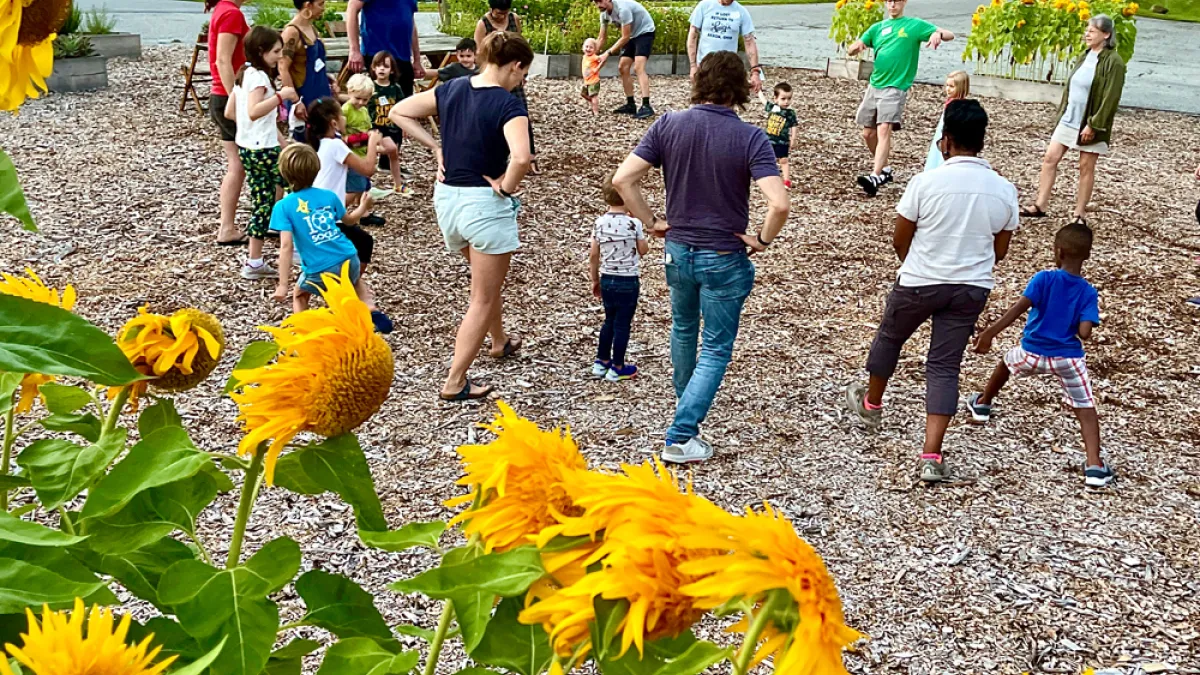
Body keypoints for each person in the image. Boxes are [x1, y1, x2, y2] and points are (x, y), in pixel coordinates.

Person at [612, 51, 789, 464]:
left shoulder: (668, 124)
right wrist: (762, 239)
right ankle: (681, 434)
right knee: (715, 347)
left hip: (677, 251)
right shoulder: (750, 137)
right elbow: (779, 204)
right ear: (740, 88)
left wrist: (652, 221)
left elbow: (623, 179)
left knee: (683, 328)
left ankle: (686, 405)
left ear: (700, 81)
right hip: (723, 255)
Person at [843, 99, 1018, 484]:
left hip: (920, 279)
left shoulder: (925, 183)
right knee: (944, 365)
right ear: (982, 141)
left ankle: (872, 403)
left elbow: (900, 237)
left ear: (945, 141)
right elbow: (1000, 250)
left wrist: (915, 264)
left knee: (890, 337)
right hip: (970, 287)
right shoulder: (1004, 190)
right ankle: (931, 454)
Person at [389, 32, 534, 402]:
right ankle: (455, 380)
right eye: (523, 73)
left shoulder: (451, 89)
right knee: (481, 298)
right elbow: (521, 157)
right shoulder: (509, 105)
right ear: (515, 66)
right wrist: (506, 187)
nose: (522, 80)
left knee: (486, 283)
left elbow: (398, 111)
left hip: (448, 202)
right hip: (483, 207)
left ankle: (499, 341)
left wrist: (436, 147)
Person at [967, 222, 1111, 487]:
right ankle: (1094, 465)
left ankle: (983, 404)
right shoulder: (1088, 292)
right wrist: (1084, 320)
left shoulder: (1044, 279)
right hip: (1067, 359)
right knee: (1085, 407)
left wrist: (989, 333)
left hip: (1031, 352)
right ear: (1087, 255)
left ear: (1058, 252)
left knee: (1005, 363)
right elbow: (1085, 333)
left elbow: (1017, 309)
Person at [272, 144, 393, 333]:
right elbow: (349, 221)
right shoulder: (328, 196)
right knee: (354, 281)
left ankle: (306, 334)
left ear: (284, 173)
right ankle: (371, 309)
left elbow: (286, 246)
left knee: (300, 295)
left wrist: (282, 285)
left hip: (319, 267)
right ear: (317, 169)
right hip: (348, 255)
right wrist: (363, 206)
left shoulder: (283, 206)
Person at [1020, 15, 1127, 226]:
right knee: (1050, 159)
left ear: (1106, 35)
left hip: (1090, 123)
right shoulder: (1084, 56)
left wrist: (1094, 124)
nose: (1087, 34)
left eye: (1092, 31)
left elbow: (1111, 97)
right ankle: (1040, 205)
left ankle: (1079, 214)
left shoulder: (1114, 62)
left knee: (1085, 167)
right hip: (1069, 118)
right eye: (1087, 30)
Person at [847, 0, 954, 197]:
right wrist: (856, 47)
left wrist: (937, 34)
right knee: (868, 134)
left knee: (884, 128)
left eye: (897, 1)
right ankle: (884, 169)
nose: (893, 4)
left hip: (896, 87)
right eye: (889, 1)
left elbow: (950, 35)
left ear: (904, 2)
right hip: (875, 85)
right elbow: (853, 47)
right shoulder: (877, 28)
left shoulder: (914, 25)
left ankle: (875, 176)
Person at [223, 26, 297, 281]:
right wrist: (281, 96)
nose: (280, 56)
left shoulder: (244, 73)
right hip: (264, 150)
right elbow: (254, 111)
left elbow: (231, 112)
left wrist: (278, 139)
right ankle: (299, 249)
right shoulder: (260, 79)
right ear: (261, 51)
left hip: (249, 148)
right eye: (276, 52)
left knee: (262, 203)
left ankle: (254, 262)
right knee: (298, 190)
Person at [590, 172, 648, 382]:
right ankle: (618, 367)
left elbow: (593, 254)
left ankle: (601, 361)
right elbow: (643, 250)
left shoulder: (599, 223)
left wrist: (595, 279)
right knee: (623, 324)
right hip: (627, 279)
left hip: (607, 277)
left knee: (609, 320)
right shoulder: (634, 224)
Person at [205, 0, 250, 246]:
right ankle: (272, 222)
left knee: (237, 165)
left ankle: (227, 227)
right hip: (227, 97)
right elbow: (223, 60)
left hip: (220, 97)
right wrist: (238, 99)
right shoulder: (231, 13)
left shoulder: (224, 10)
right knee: (256, 160)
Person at [475, 0, 537, 171]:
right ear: (491, 9)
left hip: (513, 73)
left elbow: (520, 45)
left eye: (505, 13)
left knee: (521, 111)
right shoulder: (483, 24)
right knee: (493, 115)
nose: (502, 16)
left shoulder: (513, 19)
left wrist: (523, 73)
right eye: (498, 13)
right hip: (495, 75)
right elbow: (481, 54)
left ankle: (530, 156)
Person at [306, 97, 384, 225]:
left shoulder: (320, 143)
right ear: (334, 123)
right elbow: (368, 169)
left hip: (316, 209)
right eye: (341, 115)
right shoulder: (335, 145)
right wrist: (372, 142)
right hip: (327, 215)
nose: (344, 118)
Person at [345, 72, 408, 197]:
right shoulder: (345, 110)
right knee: (354, 189)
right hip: (353, 154)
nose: (361, 102)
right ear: (349, 92)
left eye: (365, 99)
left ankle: (363, 207)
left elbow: (367, 128)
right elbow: (342, 136)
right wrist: (369, 141)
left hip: (363, 151)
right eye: (357, 98)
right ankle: (342, 207)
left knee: (362, 185)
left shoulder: (363, 110)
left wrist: (373, 142)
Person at [280, 0, 334, 143]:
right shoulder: (292, 32)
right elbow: (282, 67)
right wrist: (295, 101)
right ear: (307, 5)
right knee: (306, 141)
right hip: (304, 95)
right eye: (320, 4)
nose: (323, 8)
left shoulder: (312, 28)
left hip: (320, 91)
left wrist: (328, 78)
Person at [347, 0, 425, 98]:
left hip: (403, 56)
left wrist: (417, 60)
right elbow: (352, 7)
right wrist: (354, 50)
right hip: (377, 55)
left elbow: (410, 23)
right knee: (376, 99)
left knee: (405, 99)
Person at [594, 0, 656, 119]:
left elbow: (625, 37)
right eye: (595, 2)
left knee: (638, 67)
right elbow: (601, 38)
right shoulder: (604, 14)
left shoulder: (623, 9)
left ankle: (646, 106)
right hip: (632, 35)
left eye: (600, 1)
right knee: (623, 67)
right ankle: (630, 104)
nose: (598, 5)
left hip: (645, 32)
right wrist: (591, 57)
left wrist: (607, 53)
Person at [687, 0, 761, 93]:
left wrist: (755, 72)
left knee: (728, 98)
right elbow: (693, 35)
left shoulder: (741, 11)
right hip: (705, 68)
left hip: (729, 69)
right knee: (703, 97)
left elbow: (749, 41)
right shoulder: (704, 6)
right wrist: (693, 66)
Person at [368, 51, 410, 187]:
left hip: (393, 126)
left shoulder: (395, 88)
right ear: (373, 68)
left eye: (385, 66)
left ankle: (398, 184)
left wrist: (404, 126)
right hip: (376, 126)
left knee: (394, 154)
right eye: (378, 65)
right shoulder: (370, 87)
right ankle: (368, 151)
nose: (382, 69)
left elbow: (402, 107)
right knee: (387, 149)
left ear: (392, 70)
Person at [924, 70, 968, 172]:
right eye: (947, 85)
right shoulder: (951, 103)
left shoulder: (958, 107)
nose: (948, 89)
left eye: (952, 86)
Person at [758, 82, 797, 188]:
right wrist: (759, 91)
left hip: (782, 141)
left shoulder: (790, 113)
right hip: (769, 140)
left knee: (784, 160)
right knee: (768, 159)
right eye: (783, 99)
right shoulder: (774, 108)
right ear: (776, 99)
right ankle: (768, 179)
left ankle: (786, 180)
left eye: (789, 98)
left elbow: (794, 125)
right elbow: (764, 101)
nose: (786, 101)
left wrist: (793, 138)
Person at [581, 38, 602, 115]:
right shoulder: (584, 56)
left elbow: (602, 59)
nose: (588, 49)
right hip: (587, 81)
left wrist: (597, 68)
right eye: (586, 46)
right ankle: (594, 103)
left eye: (591, 47)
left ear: (595, 50)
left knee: (594, 96)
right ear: (583, 47)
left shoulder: (594, 57)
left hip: (594, 81)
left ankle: (596, 111)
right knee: (583, 94)